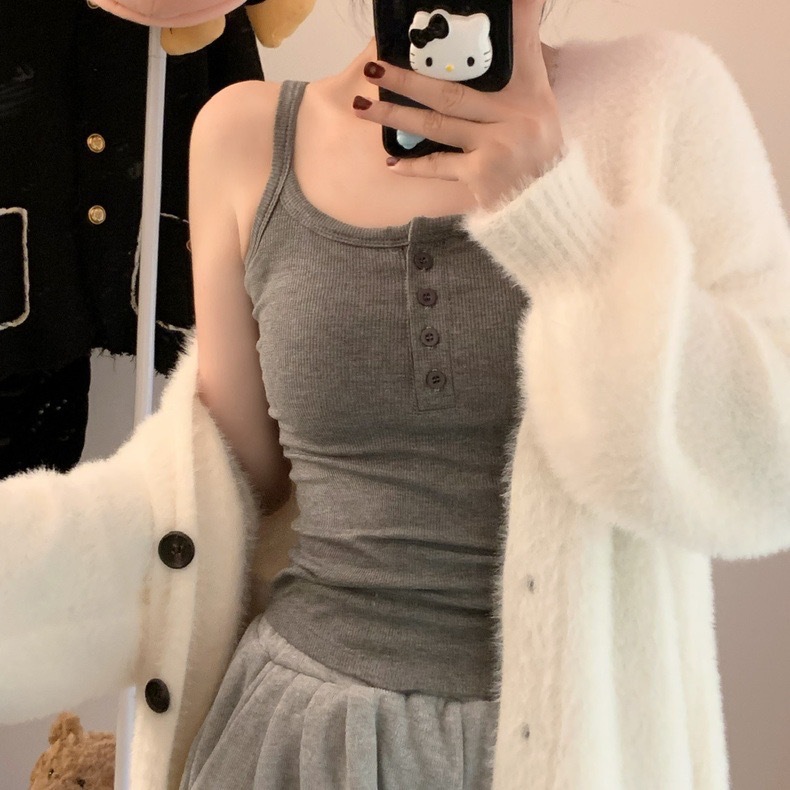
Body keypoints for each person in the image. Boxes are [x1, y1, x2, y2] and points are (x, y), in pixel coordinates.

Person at [2, 0, 789, 788]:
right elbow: (216, 495)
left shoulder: (659, 102)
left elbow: (769, 472)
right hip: (291, 743)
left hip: (577, 753)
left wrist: (559, 221)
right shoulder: (244, 136)